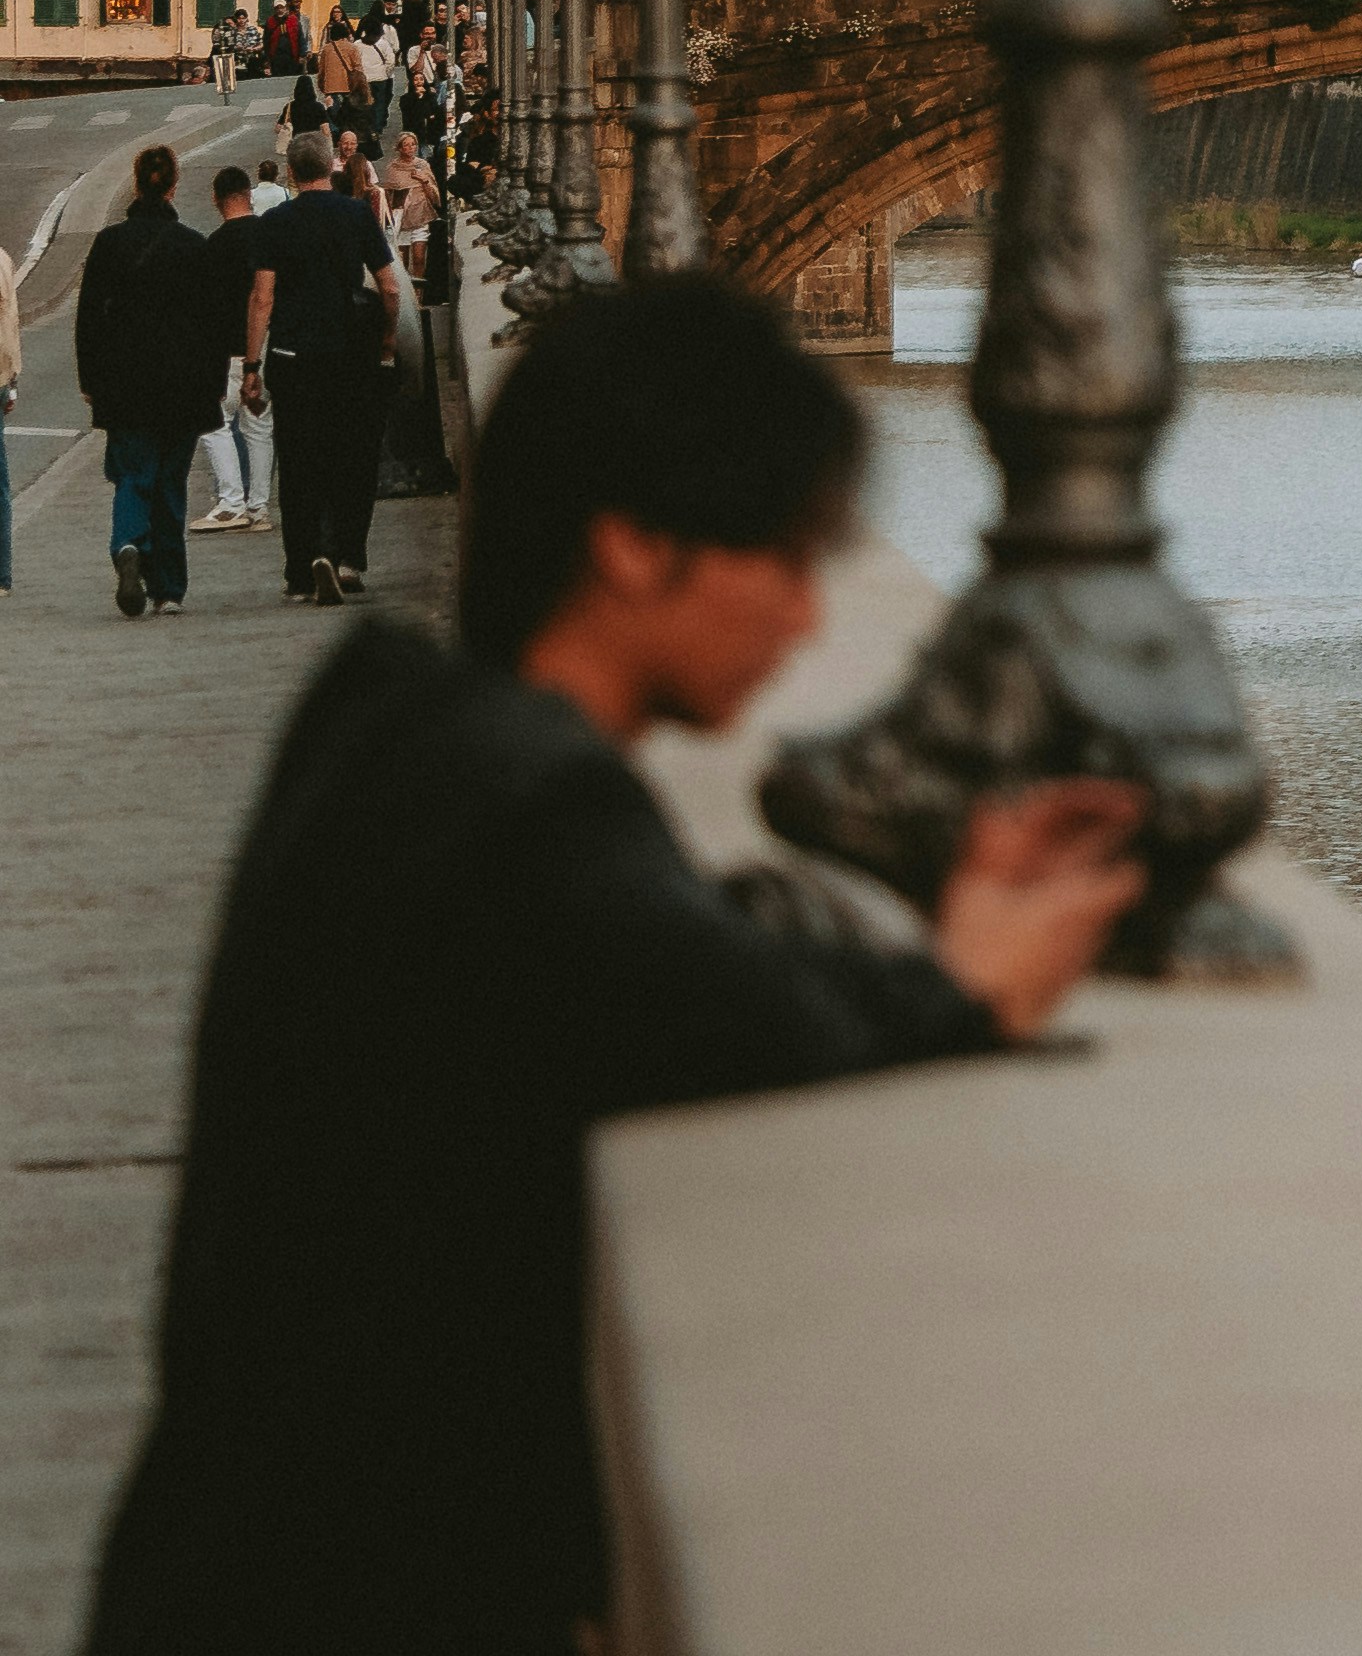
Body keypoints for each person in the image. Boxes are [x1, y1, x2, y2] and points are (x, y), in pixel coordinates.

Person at [82, 267, 1141, 1656]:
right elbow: (743, 1010)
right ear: (638, 542)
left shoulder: (394, 720)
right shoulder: (530, 805)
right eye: (786, 554)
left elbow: (651, 955)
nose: (812, 620)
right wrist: (974, 984)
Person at [230, 146, 394, 603]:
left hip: (291, 354)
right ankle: (347, 557)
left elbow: (262, 299)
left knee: (299, 460)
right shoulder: (357, 214)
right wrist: (386, 342)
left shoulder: (274, 224)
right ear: (328, 168)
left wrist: (251, 366)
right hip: (349, 353)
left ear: (290, 173)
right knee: (352, 456)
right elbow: (391, 286)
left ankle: (303, 567)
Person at [78, 147, 229, 616]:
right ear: (173, 186)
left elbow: (88, 320)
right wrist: (215, 382)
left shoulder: (108, 243)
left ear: (136, 183)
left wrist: (91, 380)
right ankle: (168, 588)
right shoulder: (193, 245)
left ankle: (127, 544)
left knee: (132, 476)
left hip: (125, 384)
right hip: (182, 385)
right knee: (170, 485)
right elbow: (214, 324)